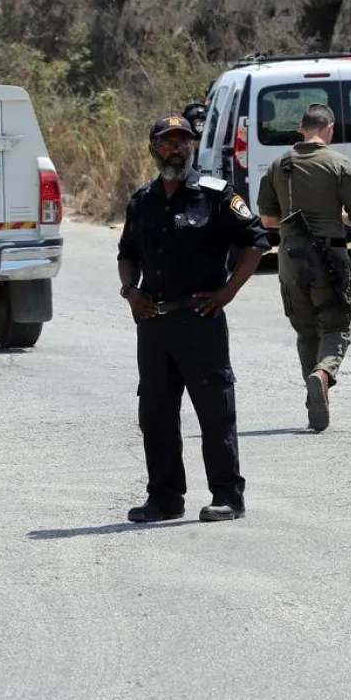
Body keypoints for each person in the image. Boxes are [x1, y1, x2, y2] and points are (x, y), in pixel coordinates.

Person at [117, 113, 270, 523]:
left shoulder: (215, 195)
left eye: (183, 141)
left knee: (214, 410)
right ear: (154, 148)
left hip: (200, 320)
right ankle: (164, 497)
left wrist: (227, 292)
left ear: (193, 147)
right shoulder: (142, 201)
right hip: (154, 325)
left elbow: (256, 242)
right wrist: (131, 293)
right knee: (156, 413)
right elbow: (127, 254)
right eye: (168, 141)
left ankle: (227, 495)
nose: (176, 147)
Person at [256, 103, 351, 432]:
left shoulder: (278, 165)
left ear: (302, 130)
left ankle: (315, 400)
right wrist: (337, 218)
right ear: (329, 129)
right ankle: (323, 375)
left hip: (291, 258)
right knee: (336, 328)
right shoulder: (339, 164)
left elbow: (266, 219)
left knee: (306, 331)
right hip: (331, 257)